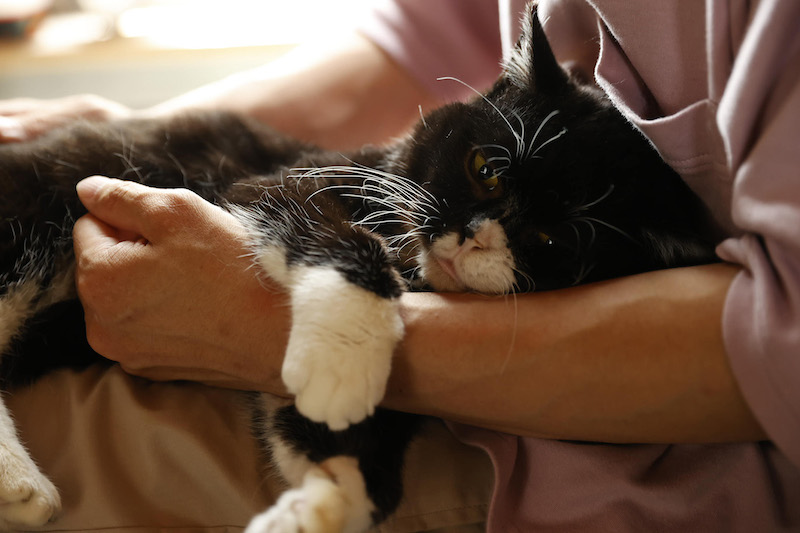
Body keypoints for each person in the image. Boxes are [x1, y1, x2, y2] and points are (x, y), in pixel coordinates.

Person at [2, 0, 798, 531]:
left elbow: (781, 341)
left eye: (544, 242)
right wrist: (149, 128)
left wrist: (264, 328)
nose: (475, 238)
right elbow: (428, 33)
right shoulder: (393, 188)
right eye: (488, 176)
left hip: (589, 456)